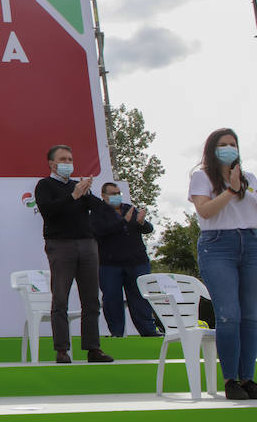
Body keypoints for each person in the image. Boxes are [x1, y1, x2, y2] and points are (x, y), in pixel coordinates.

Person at [190, 128, 257, 400]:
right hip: (217, 244)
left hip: (251, 243)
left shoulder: (248, 177)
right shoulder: (202, 176)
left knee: (250, 317)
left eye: (233, 144)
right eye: (223, 144)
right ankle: (230, 381)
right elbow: (205, 211)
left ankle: (247, 379)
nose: (229, 148)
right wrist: (230, 190)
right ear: (212, 149)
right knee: (229, 314)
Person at [34, 145, 113, 365]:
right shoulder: (45, 185)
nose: (68, 163)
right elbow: (48, 211)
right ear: (51, 163)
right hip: (60, 245)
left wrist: (86, 193)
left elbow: (101, 210)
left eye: (70, 158)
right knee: (60, 298)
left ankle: (93, 348)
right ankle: (61, 349)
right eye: (63, 159)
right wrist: (73, 195)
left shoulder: (77, 186)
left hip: (87, 244)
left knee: (91, 299)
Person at [90, 183, 162, 338]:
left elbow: (148, 229)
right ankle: (117, 333)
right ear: (103, 195)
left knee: (140, 298)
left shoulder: (129, 208)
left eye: (118, 193)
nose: (117, 196)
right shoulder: (97, 212)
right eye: (112, 194)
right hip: (110, 265)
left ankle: (149, 331)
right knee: (111, 299)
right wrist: (122, 221)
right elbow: (98, 232)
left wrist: (142, 222)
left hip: (137, 262)